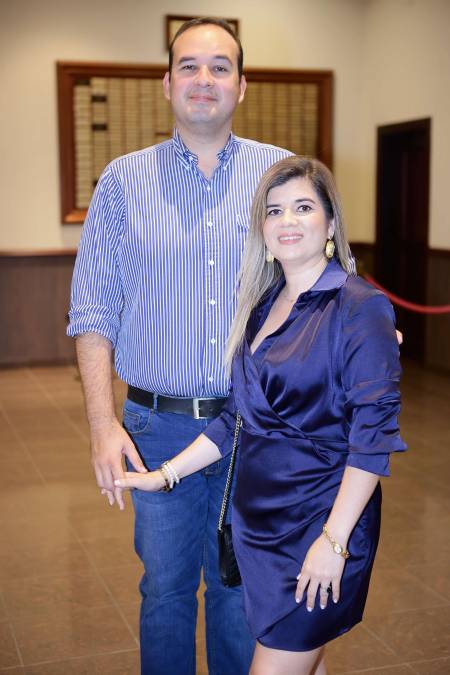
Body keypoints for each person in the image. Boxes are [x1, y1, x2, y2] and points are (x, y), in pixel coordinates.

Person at [115, 156, 407, 675]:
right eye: (274, 211)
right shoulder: (262, 305)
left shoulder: (360, 307)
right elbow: (238, 417)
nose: (287, 221)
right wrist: (166, 474)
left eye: (303, 207)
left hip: (320, 525)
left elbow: (372, 441)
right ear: (262, 228)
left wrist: (334, 542)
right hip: (262, 532)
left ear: (330, 224)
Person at [67, 17, 291, 675]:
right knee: (164, 591)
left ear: (241, 85)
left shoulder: (280, 176)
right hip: (156, 428)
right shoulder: (123, 182)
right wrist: (102, 424)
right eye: (189, 66)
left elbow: (327, 285)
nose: (204, 79)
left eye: (220, 67)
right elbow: (92, 311)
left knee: (239, 588)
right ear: (167, 84)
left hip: (255, 426)